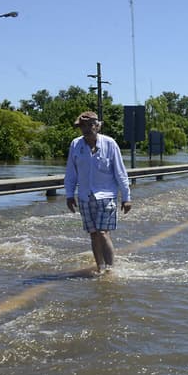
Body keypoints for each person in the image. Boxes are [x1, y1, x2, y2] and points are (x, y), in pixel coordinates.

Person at [63, 111, 132, 274]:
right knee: (94, 234)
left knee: (103, 232)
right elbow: (71, 172)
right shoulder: (75, 145)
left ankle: (110, 270)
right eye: (82, 126)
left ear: (97, 126)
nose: (86, 129)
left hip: (106, 196)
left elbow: (120, 172)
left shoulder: (110, 144)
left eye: (89, 125)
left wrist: (126, 197)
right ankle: (99, 267)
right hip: (85, 196)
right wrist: (69, 195)